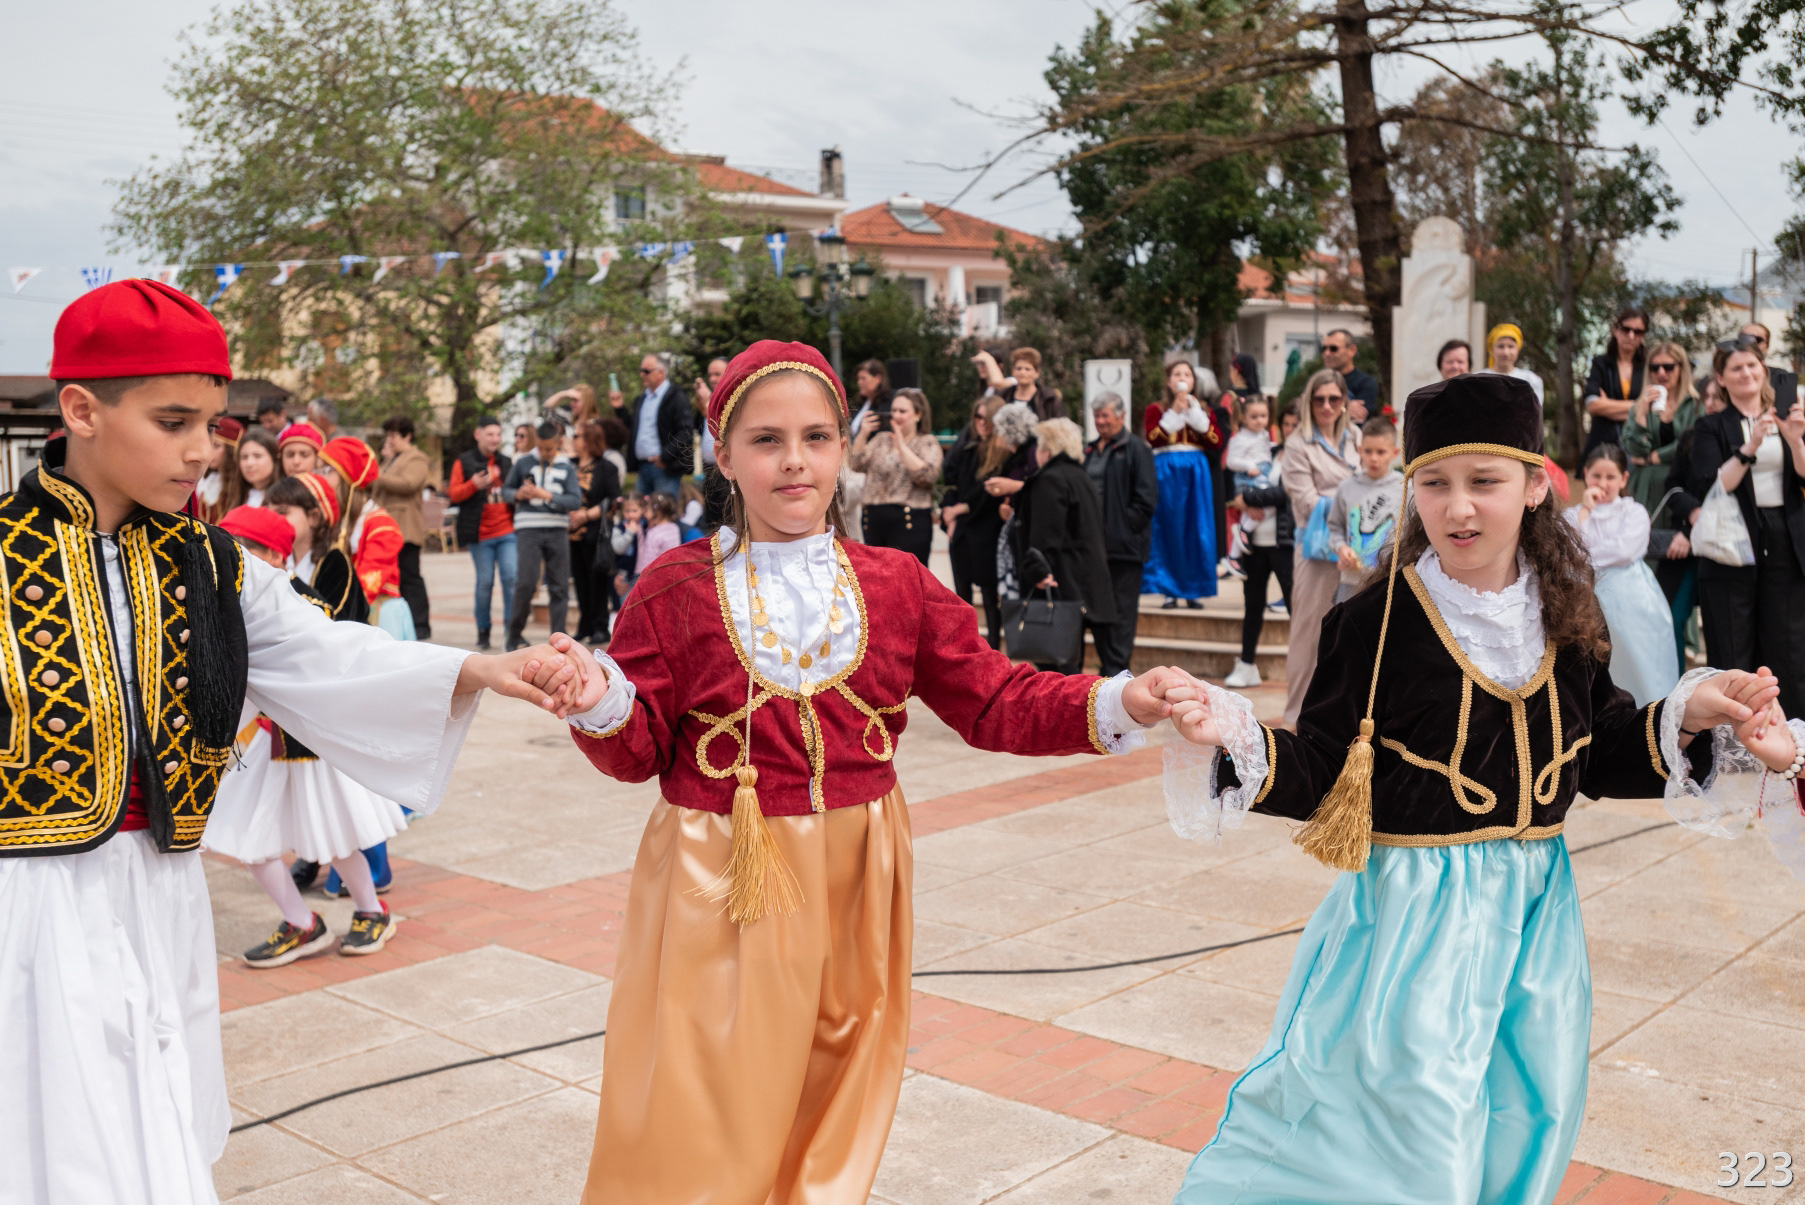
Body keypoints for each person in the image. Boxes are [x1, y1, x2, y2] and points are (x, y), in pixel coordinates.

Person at [537, 339, 1180, 1205]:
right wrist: (597, 698)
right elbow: (639, 750)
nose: (793, 461)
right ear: (723, 454)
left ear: (844, 447)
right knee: (704, 1091)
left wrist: (1119, 700)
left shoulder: (894, 582)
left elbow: (994, 698)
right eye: (766, 440)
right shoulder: (674, 585)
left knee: (837, 1081)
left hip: (860, 870)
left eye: (815, 437)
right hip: (719, 872)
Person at [4, 278, 584, 1205]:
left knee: (155, 1128)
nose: (202, 451)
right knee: (57, 1143)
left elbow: (325, 651)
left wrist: (475, 668)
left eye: (213, 426)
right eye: (172, 422)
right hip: (28, 908)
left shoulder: (207, 562)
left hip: (161, 892)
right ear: (80, 410)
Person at [1161, 372, 1805, 1205]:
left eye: (1484, 481)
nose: (1457, 507)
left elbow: (1598, 747)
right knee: (1415, 1140)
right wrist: (1233, 737)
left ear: (1534, 486)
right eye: (1433, 482)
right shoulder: (1373, 622)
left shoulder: (1567, 612)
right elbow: (1321, 766)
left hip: (1538, 922)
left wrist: (1688, 716)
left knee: (1527, 1117)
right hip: (1409, 927)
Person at [205, 506, 405, 963]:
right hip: (268, 738)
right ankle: (301, 921)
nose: (231, 558)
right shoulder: (231, 600)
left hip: (309, 741)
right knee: (244, 833)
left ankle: (372, 911)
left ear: (276, 556)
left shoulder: (302, 603)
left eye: (243, 549)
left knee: (332, 834)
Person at [1689, 338, 1805, 717]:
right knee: (1732, 648)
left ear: (1764, 369)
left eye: (1752, 365)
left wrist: (1795, 441)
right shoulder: (1710, 426)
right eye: (1736, 368)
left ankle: (1790, 736)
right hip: (1732, 540)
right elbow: (1712, 484)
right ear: (1721, 378)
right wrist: (1751, 444)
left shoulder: (1789, 418)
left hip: (1785, 536)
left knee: (1788, 646)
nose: (1746, 373)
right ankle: (1731, 736)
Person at [1566, 444, 1681, 706]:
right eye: (1596, 475)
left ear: (1623, 478)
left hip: (1633, 601)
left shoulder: (1634, 512)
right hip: (1587, 601)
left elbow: (1623, 551)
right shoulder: (1573, 516)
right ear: (1586, 474)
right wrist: (1586, 513)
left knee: (1642, 665)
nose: (1603, 483)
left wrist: (1585, 553)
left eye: (1610, 477)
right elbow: (1571, 553)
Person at [1282, 368, 1360, 727]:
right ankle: (1296, 719)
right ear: (1308, 402)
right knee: (1308, 634)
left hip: (1357, 550)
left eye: (1334, 398)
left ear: (1344, 401)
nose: (1326, 405)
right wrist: (1354, 505)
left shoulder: (1356, 437)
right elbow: (1305, 499)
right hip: (1316, 550)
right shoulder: (1297, 443)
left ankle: (1344, 718)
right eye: (1319, 399)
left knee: (1355, 631)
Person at [1011, 416, 1116, 673]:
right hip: (1086, 580)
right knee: (1070, 660)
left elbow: (1045, 534)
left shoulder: (1050, 480)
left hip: (1061, 581)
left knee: (1058, 665)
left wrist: (1037, 571)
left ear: (1048, 449)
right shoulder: (1081, 477)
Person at [1083, 392, 1159, 677]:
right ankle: (1107, 674)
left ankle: (1118, 677)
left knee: (1122, 618)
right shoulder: (1089, 450)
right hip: (1094, 550)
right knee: (1099, 614)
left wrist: (1123, 528)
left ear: (1121, 416)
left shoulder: (1137, 449)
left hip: (1124, 550)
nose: (1100, 421)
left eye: (1105, 415)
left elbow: (1146, 500)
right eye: (1097, 416)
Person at [1143, 359, 1221, 609]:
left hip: (1195, 471)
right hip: (1166, 470)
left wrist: (1195, 414)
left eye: (1187, 374)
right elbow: (1153, 439)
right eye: (1177, 374)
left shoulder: (1204, 410)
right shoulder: (1156, 409)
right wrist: (1175, 412)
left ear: (1193, 381)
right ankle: (1169, 589)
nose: (1182, 378)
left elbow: (1215, 441)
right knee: (1170, 526)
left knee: (1197, 528)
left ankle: (1193, 589)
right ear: (1169, 381)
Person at [1228, 403, 1294, 688]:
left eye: (1295, 424)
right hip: (1255, 543)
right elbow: (1237, 481)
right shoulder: (1269, 451)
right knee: (1252, 606)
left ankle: (1308, 667)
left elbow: (1286, 493)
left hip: (1284, 543)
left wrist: (1249, 497)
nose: (1290, 429)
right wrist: (1241, 498)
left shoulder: (1305, 456)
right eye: (1286, 424)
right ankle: (1246, 665)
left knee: (1295, 607)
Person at [320, 436, 412, 639]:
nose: (322, 478)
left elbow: (368, 583)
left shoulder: (381, 525)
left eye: (329, 470)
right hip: (345, 612)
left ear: (347, 478)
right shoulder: (337, 521)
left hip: (377, 614)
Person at [503, 420, 583, 651]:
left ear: (559, 443)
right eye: (541, 448)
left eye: (549, 449)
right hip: (528, 528)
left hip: (557, 529)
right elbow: (506, 491)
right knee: (526, 583)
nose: (545, 453)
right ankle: (514, 634)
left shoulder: (566, 466)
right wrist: (518, 493)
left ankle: (558, 639)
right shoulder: (523, 462)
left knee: (559, 586)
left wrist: (546, 495)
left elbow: (575, 500)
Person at [848, 386, 943, 564]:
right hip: (874, 519)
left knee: (908, 575)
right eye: (893, 410)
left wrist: (901, 446)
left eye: (902, 411)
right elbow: (855, 464)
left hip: (908, 520)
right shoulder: (881, 439)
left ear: (918, 414)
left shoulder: (926, 442)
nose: (896, 415)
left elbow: (927, 476)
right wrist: (863, 433)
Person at [943, 397, 1009, 646]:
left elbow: (989, 492)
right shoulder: (967, 448)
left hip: (987, 530)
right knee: (963, 596)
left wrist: (960, 509)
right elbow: (951, 482)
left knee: (990, 597)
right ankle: (968, 649)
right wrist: (950, 516)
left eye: (986, 418)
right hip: (962, 530)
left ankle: (994, 650)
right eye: (978, 417)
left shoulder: (1002, 453)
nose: (981, 422)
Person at [450, 416, 516, 650]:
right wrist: (472, 485)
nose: (495, 439)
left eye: (498, 434)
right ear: (478, 435)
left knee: (511, 578)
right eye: (490, 434)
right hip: (480, 535)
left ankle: (511, 630)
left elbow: (514, 491)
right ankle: (483, 630)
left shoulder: (506, 462)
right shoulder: (464, 461)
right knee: (485, 582)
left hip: (507, 531)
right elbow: (453, 494)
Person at [1328, 414, 1403, 604]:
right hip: (1351, 582)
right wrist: (1341, 547)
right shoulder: (1347, 487)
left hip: (1390, 583)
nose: (1373, 458)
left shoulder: (1406, 489)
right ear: (1360, 450)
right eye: (1368, 451)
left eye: (1381, 452)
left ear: (1394, 453)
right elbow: (1335, 528)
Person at [1622, 340, 1699, 516]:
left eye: (1668, 367)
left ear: (1681, 369)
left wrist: (1653, 457)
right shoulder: (1640, 406)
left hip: (1682, 486)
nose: (1661, 373)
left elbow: (1691, 443)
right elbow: (1633, 450)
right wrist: (1641, 415)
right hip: (1645, 487)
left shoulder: (1695, 404)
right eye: (1654, 368)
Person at [376, 414, 434, 639]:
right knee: (395, 577)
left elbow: (409, 484)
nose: (389, 439)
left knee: (410, 576)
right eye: (388, 435)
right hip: (387, 527)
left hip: (406, 527)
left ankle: (421, 624)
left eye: (394, 435)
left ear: (407, 436)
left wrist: (377, 475)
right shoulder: (391, 459)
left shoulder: (416, 458)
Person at [612, 352, 694, 499]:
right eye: (641, 371)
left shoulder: (676, 396)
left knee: (663, 511)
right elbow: (633, 429)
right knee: (640, 512)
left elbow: (685, 433)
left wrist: (664, 457)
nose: (642, 374)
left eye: (646, 371)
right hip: (643, 468)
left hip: (664, 468)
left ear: (660, 373)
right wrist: (620, 409)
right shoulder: (642, 399)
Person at [571, 418, 622, 643]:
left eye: (577, 436)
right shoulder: (568, 465)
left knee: (597, 581)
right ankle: (585, 626)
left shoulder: (607, 467)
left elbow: (614, 499)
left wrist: (586, 515)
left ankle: (600, 627)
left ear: (589, 439)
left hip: (594, 532)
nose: (573, 440)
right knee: (580, 581)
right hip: (570, 533)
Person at [1581, 306, 1648, 454]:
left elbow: (1653, 410)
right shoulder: (1601, 364)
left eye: (1638, 332)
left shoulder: (1649, 368)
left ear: (1643, 336)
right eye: (1626, 329)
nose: (1631, 335)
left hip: (1637, 446)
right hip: (1603, 446)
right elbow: (1592, 405)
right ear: (1616, 330)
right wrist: (1639, 405)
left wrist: (1608, 406)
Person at [975, 346, 1065, 419]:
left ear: (1037, 373)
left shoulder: (1048, 399)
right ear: (1013, 371)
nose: (1022, 372)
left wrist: (988, 358)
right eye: (1018, 368)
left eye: (1027, 369)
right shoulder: (1003, 396)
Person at [1321, 328, 1378, 422]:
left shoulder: (1366, 383)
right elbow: (1305, 409)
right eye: (1324, 348)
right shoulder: (1317, 381)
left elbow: (1359, 417)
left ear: (1352, 350)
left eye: (1333, 348)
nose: (1327, 353)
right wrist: (1345, 408)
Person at [1481, 322, 1545, 407]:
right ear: (1491, 350)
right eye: (1500, 346)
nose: (1506, 352)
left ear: (1518, 349)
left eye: (1511, 346)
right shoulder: (1478, 379)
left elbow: (1534, 411)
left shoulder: (1531, 380)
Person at [1740, 321, 1801, 409]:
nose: (1751, 343)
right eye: (1744, 338)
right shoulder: (1726, 374)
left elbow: (1784, 413)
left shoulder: (1780, 377)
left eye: (1758, 339)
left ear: (1767, 346)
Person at [194, 415, 243, 522]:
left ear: (231, 451)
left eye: (216, 445)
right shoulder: (202, 480)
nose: (209, 451)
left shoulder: (240, 485)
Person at [237, 425, 282, 506]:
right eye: (244, 457)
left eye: (257, 456)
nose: (249, 463)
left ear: (274, 458)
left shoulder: (284, 498)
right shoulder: (236, 496)